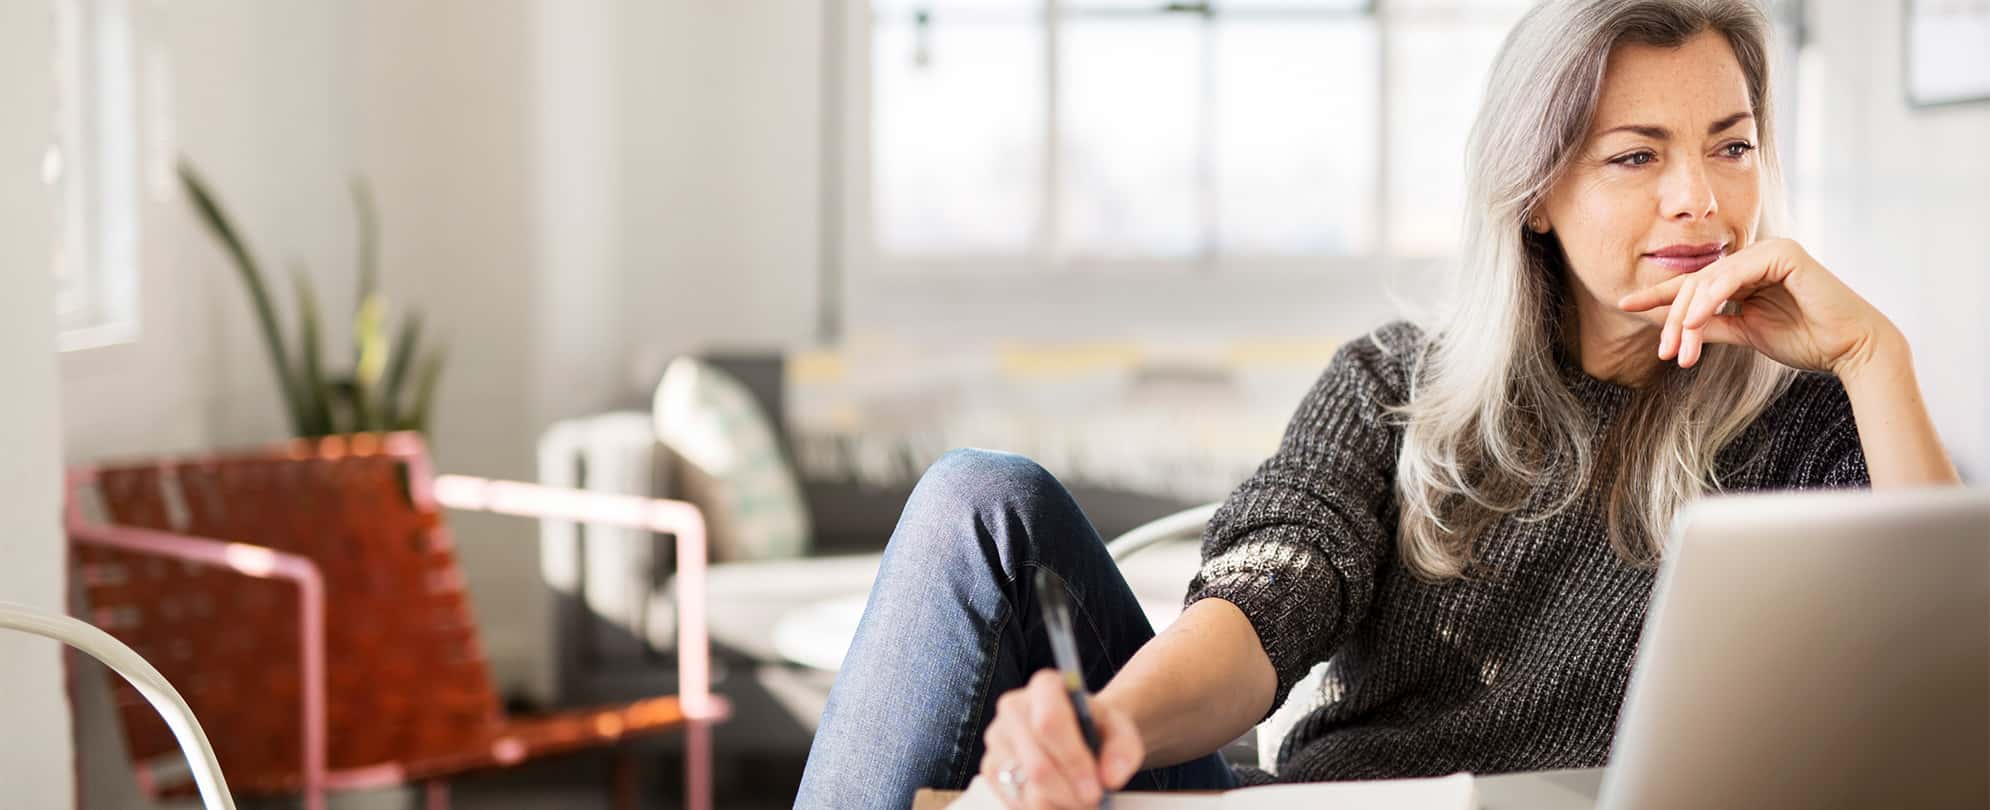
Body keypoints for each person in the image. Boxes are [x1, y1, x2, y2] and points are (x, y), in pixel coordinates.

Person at [794, 1, 1961, 808]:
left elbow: (1957, 691)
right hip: (1323, 805)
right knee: (979, 499)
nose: (1699, 200)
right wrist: (1112, 731)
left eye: (1732, 146)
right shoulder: (1394, 385)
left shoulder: (1806, 427)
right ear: (1536, 191)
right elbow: (1263, 613)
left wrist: (1873, 356)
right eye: (1634, 157)